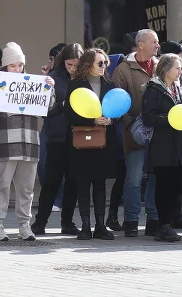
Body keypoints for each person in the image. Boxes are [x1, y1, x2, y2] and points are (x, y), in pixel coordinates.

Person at [0, 42, 47, 242]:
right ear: (4, 67)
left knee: (27, 187)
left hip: (29, 142)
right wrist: (4, 96)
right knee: (1, 185)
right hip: (4, 142)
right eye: (13, 66)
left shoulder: (32, 84)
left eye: (20, 65)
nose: (17, 69)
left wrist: (48, 89)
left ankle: (24, 225)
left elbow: (48, 106)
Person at [66, 48, 118, 241]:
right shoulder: (75, 85)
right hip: (82, 142)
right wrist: (92, 121)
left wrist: (110, 120)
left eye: (105, 63)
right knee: (82, 183)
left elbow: (118, 111)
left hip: (104, 143)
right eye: (100, 63)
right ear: (88, 64)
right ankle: (85, 226)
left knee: (100, 184)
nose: (104, 66)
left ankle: (101, 225)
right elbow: (70, 114)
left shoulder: (110, 85)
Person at [32, 43, 83, 236]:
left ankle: (67, 222)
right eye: (69, 64)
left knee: (73, 181)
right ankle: (40, 222)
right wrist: (64, 104)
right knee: (51, 181)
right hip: (57, 136)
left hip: (78, 136)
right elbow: (44, 110)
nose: (73, 68)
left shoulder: (85, 77)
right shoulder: (53, 78)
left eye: (76, 64)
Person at [113, 30, 159, 237]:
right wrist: (131, 125)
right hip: (134, 133)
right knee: (133, 179)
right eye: (154, 42)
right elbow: (116, 102)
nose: (158, 46)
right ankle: (131, 220)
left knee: (155, 178)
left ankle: (153, 218)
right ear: (140, 45)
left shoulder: (161, 66)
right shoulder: (123, 69)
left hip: (159, 133)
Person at [139, 54, 182, 242]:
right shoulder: (154, 89)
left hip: (179, 146)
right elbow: (148, 117)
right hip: (162, 146)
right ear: (166, 69)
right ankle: (162, 225)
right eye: (177, 68)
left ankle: (168, 223)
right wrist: (171, 118)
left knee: (176, 187)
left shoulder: (179, 88)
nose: (180, 72)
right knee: (164, 186)